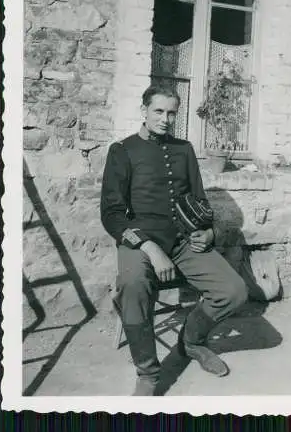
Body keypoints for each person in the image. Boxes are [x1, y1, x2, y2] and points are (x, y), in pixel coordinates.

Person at [100, 85, 248, 396]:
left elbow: (200, 202)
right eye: (158, 111)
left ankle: (192, 341)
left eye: (171, 113)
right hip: (140, 244)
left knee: (234, 291)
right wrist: (149, 248)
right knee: (134, 285)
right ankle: (149, 372)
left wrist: (208, 232)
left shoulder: (184, 150)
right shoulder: (122, 151)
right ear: (144, 109)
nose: (165, 119)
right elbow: (112, 214)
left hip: (182, 242)